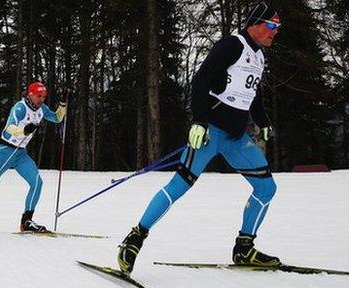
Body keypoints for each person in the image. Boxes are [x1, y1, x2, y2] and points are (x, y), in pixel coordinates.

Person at [117, 1, 282, 274]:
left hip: (236, 137)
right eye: (272, 25)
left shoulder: (260, 57)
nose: (275, 31)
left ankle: (244, 248)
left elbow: (254, 95)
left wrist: (263, 122)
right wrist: (199, 121)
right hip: (210, 132)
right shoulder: (233, 45)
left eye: (278, 27)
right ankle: (134, 239)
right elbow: (201, 80)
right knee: (179, 185)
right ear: (255, 23)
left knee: (267, 189)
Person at [0, 82, 68, 240]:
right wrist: (23, 130)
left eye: (43, 96)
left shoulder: (42, 109)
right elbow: (9, 127)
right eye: (39, 96)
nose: (42, 99)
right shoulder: (20, 107)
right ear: (30, 95)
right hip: (5, 151)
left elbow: (57, 118)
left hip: (20, 154)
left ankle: (26, 221)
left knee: (37, 183)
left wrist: (63, 104)